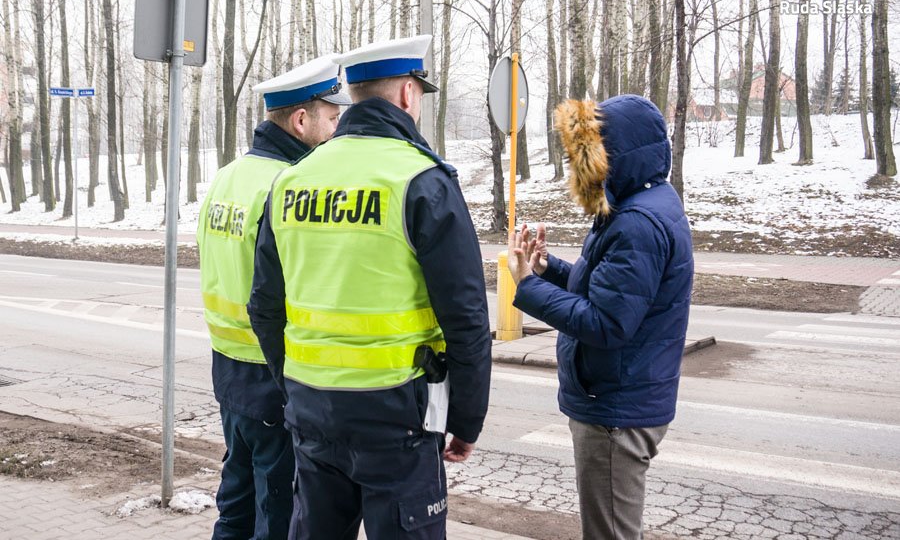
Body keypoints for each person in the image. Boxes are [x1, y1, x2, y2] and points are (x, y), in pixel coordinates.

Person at [248, 36, 491, 540]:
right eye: (420, 93)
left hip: (312, 412)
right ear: (407, 94)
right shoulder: (421, 180)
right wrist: (466, 420)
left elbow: (265, 307)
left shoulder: (292, 181)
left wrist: (294, 385)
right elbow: (465, 317)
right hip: (396, 419)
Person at [507, 95, 694, 539]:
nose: (577, 165)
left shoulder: (636, 224)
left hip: (615, 412)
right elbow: (611, 295)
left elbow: (607, 324)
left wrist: (527, 287)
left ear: (617, 154)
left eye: (584, 154)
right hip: (618, 401)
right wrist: (547, 270)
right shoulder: (640, 207)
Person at [197, 55, 351, 540]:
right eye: (331, 118)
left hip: (229, 370)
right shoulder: (287, 186)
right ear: (301, 121)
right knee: (278, 509)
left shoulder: (227, 177)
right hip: (275, 372)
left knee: (237, 498)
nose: (336, 129)